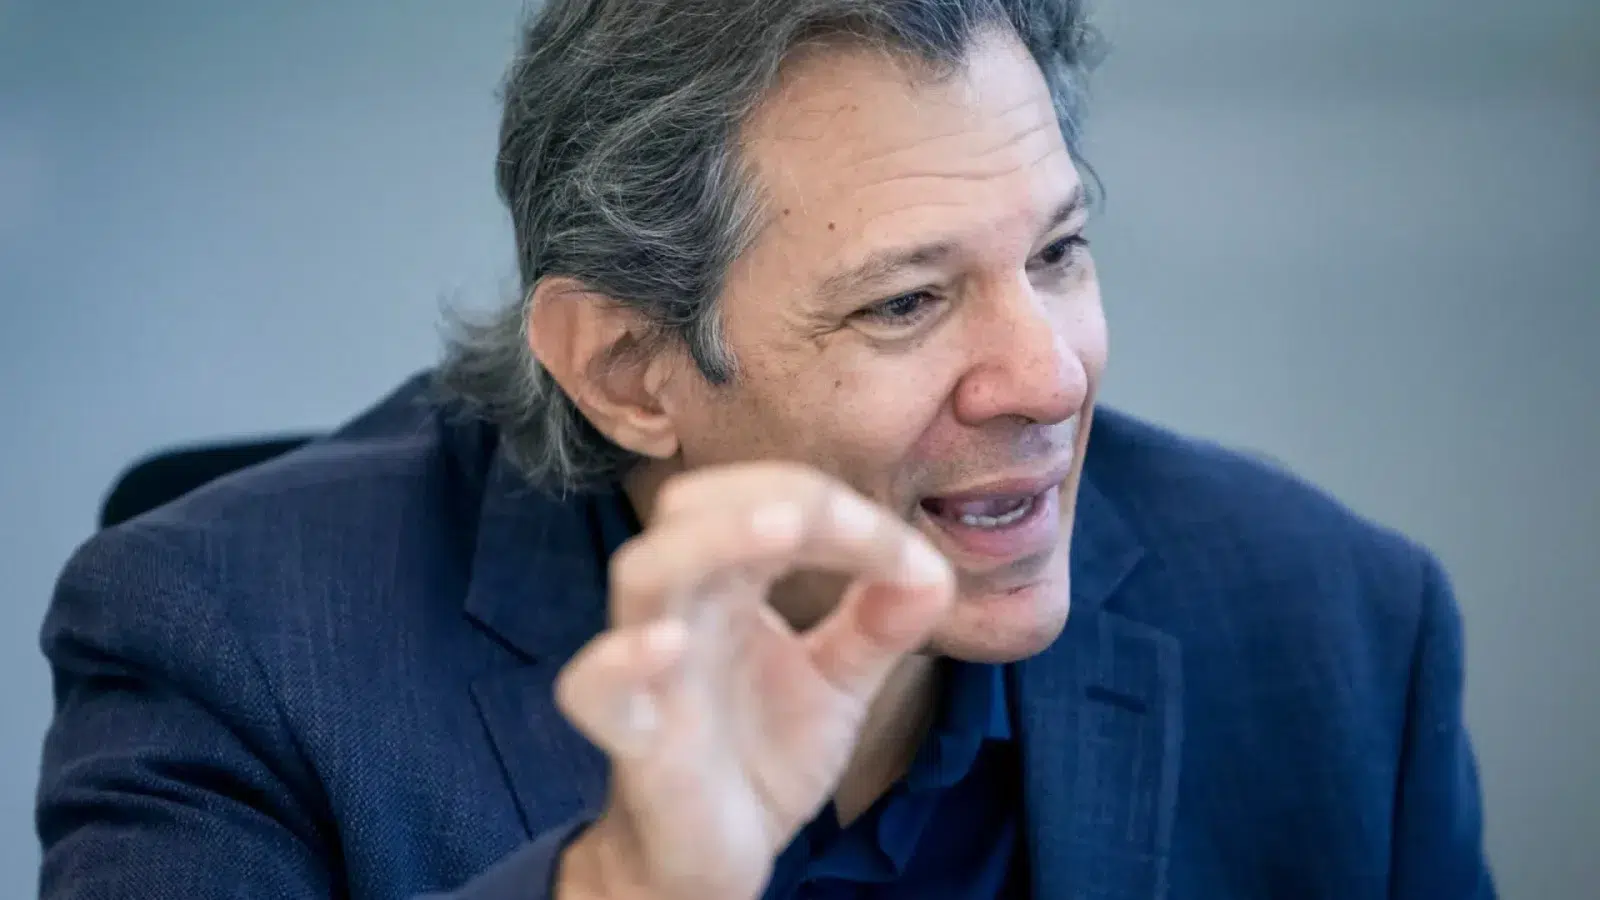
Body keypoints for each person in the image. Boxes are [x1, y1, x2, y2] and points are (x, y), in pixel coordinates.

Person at [35, 1, 1496, 898]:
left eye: (1057, 252)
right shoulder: (230, 639)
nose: (1050, 377)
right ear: (628, 370)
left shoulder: (1340, 630)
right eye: (906, 301)